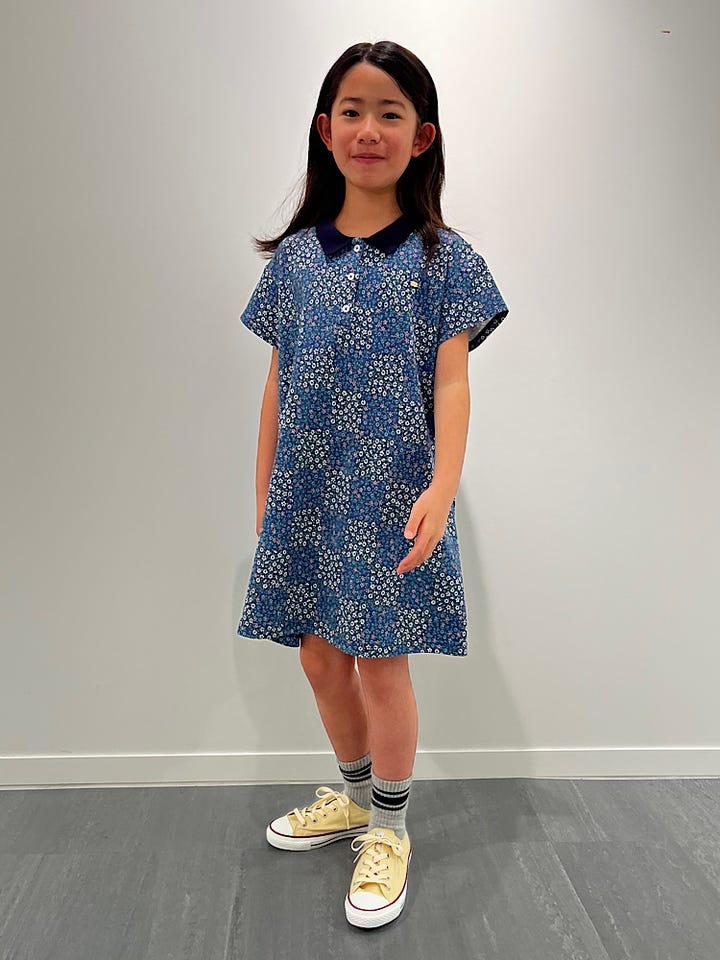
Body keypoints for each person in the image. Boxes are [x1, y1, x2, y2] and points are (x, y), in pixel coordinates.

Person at [236, 40, 509, 929]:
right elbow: (278, 382)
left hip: (392, 496)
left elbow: (453, 385)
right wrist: (266, 487)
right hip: (309, 496)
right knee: (319, 656)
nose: (369, 129)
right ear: (325, 130)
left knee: (382, 661)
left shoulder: (446, 260)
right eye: (352, 111)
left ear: (421, 136)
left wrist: (444, 484)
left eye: (390, 113)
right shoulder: (293, 261)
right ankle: (355, 798)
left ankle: (390, 825)